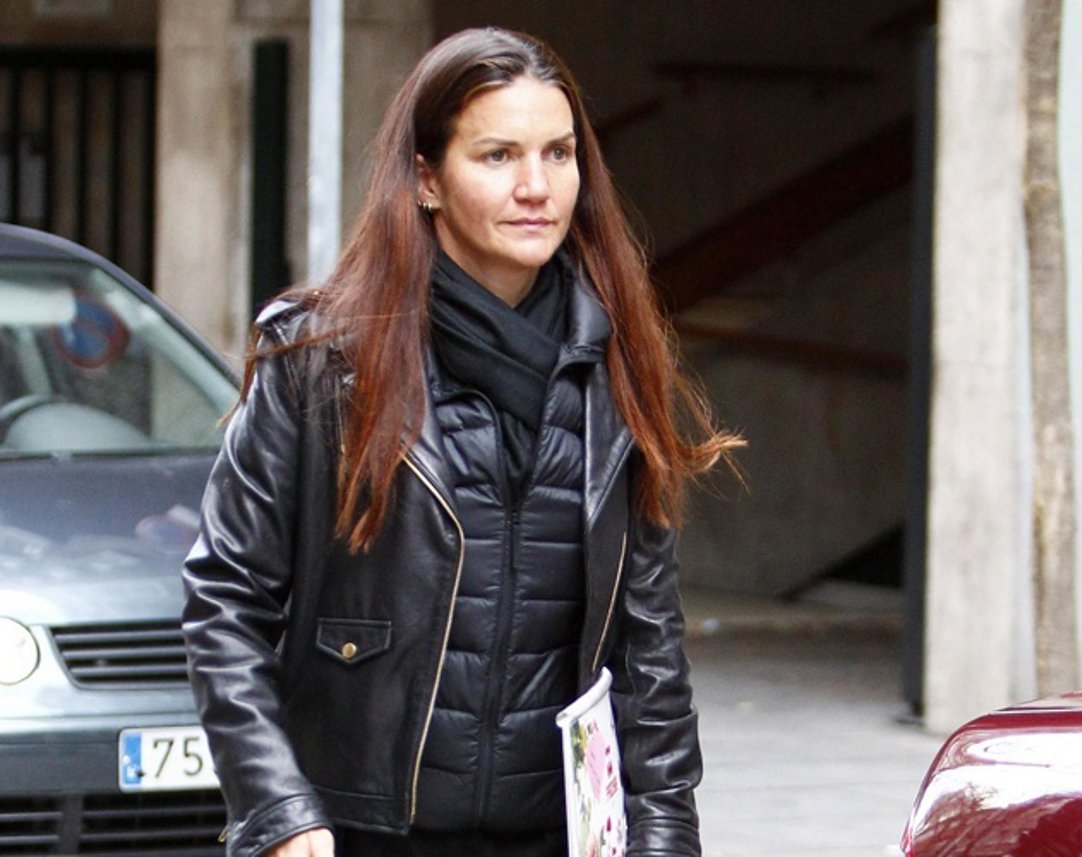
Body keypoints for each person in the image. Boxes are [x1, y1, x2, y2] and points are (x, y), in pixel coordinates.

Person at [182, 26, 740, 857]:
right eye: (497, 156)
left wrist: (664, 834)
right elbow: (226, 602)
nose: (535, 186)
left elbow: (646, 643)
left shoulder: (614, 363)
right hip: (362, 833)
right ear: (425, 179)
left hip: (553, 835)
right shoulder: (322, 359)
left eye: (558, 154)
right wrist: (280, 810)